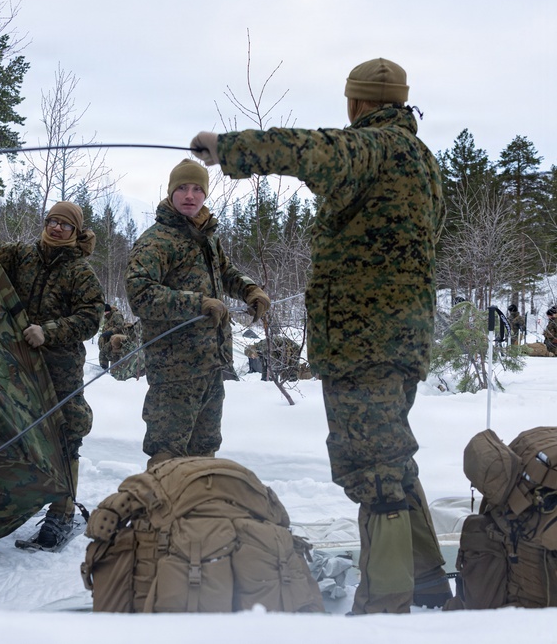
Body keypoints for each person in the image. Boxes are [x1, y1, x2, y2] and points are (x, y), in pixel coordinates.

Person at [190, 57, 450, 614]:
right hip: (401, 341)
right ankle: (428, 584)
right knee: (393, 459)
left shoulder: (373, 147)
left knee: (374, 468)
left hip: (363, 343)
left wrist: (228, 148)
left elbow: (305, 148)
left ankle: (385, 606)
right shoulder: (424, 161)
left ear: (357, 103)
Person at [0, 201, 104, 549]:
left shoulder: (80, 273)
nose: (56, 229)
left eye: (65, 225)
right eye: (52, 221)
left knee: (66, 436)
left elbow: (90, 318)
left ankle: (61, 515)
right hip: (16, 364)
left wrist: (49, 331)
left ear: (75, 232)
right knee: (10, 430)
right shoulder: (22, 256)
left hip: (61, 367)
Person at [126, 159, 270, 469]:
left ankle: (195, 512)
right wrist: (197, 303)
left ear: (204, 194)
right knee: (167, 452)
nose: (190, 195)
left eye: (196, 189)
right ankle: (159, 515)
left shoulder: (208, 237)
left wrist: (250, 290)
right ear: (170, 192)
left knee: (205, 451)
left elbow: (225, 271)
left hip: (211, 364)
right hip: (174, 370)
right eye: (182, 188)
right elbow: (140, 296)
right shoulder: (156, 241)